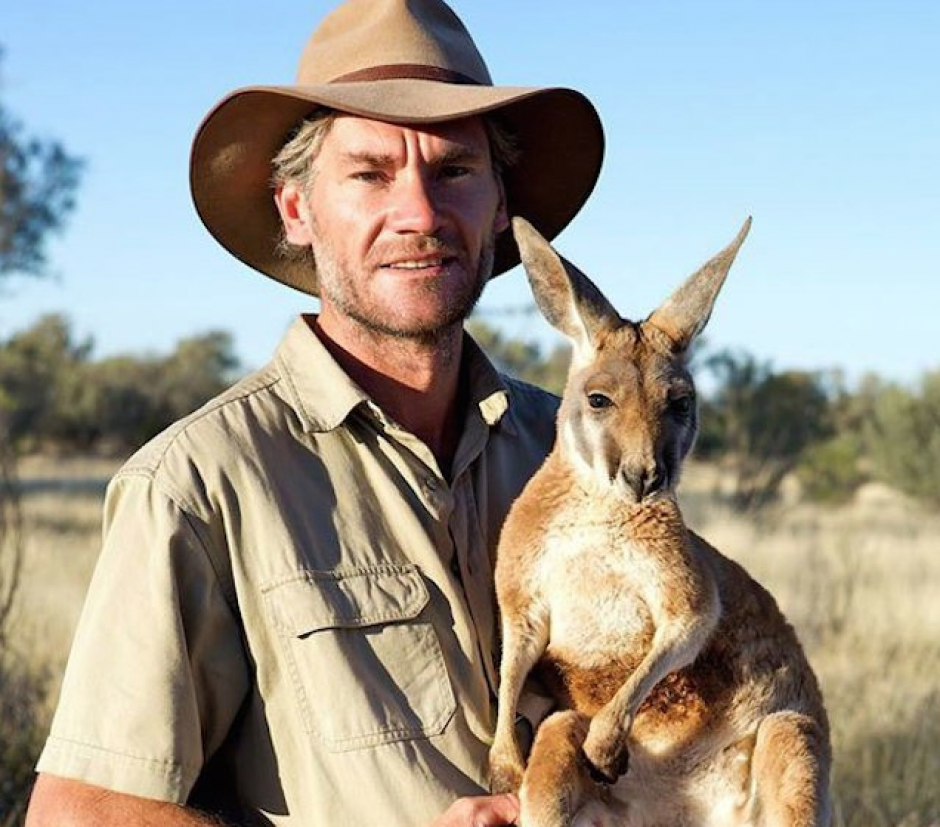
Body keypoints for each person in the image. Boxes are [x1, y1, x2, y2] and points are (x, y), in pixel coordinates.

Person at [25, 0, 603, 824]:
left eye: (454, 172)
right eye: (370, 173)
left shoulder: (577, 452)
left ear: (501, 205)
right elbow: (79, 814)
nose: (420, 214)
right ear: (296, 209)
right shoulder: (196, 486)